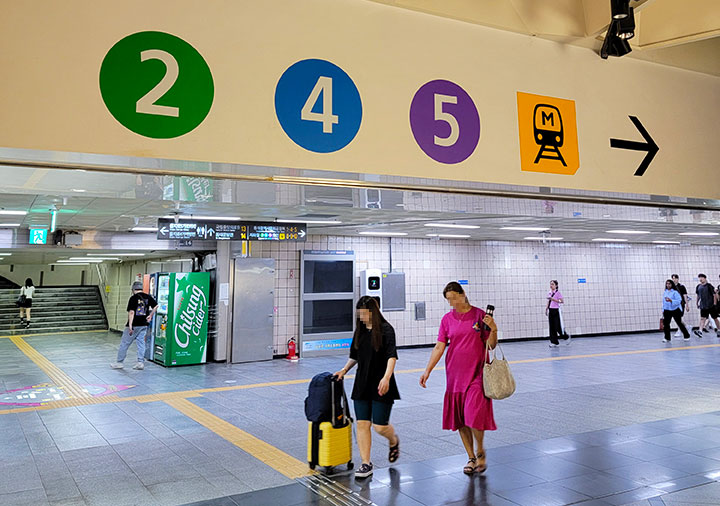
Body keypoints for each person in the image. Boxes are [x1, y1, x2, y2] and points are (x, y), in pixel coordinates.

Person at [419, 282, 498, 475]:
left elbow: (491, 345)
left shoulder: (480, 315)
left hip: (477, 373)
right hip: (454, 374)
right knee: (461, 418)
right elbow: (440, 347)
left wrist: (493, 329)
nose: (452, 302)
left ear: (463, 294)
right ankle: (471, 457)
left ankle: (480, 449)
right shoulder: (447, 319)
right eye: (448, 300)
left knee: (473, 414)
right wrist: (427, 370)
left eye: (454, 297)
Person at [334, 296, 400, 479]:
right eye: (359, 314)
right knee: (363, 424)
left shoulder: (386, 330)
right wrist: (344, 370)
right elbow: (354, 355)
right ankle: (365, 463)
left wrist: (387, 378)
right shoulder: (360, 331)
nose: (361, 317)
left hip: (382, 383)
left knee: (380, 427)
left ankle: (393, 440)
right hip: (362, 383)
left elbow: (391, 356)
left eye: (364, 314)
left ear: (373, 312)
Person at [110, 281, 157, 370]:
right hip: (144, 324)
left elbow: (131, 312)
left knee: (124, 343)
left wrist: (130, 325)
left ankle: (119, 362)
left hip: (134, 325)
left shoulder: (133, 298)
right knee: (141, 343)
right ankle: (140, 363)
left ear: (133, 289)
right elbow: (156, 306)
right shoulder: (147, 297)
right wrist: (150, 315)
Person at [546, 280, 570, 347]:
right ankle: (554, 342)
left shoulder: (558, 293)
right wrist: (546, 308)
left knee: (557, 326)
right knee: (552, 327)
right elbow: (549, 301)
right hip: (551, 310)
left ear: (556, 285)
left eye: (552, 284)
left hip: (556, 311)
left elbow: (561, 301)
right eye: (550, 284)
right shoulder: (549, 292)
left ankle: (565, 336)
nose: (551, 285)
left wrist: (554, 299)